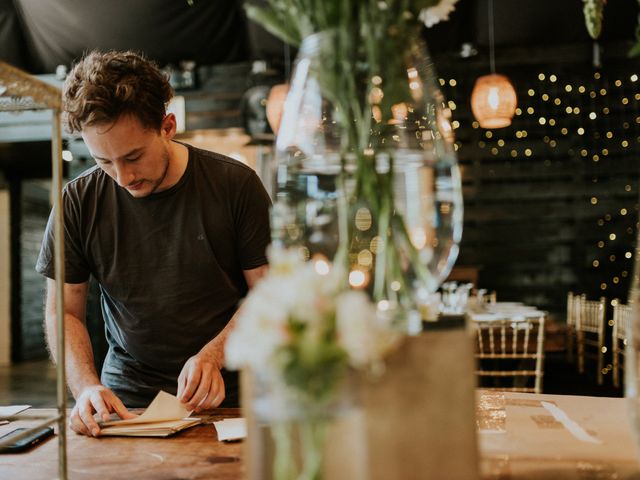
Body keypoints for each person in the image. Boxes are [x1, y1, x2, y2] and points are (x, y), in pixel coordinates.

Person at [36, 50, 271, 437]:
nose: (123, 177)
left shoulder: (235, 185)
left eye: (133, 157)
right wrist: (86, 388)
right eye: (104, 162)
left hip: (230, 397)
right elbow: (64, 312)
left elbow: (268, 291)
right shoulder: (76, 202)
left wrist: (214, 354)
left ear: (167, 126)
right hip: (126, 403)